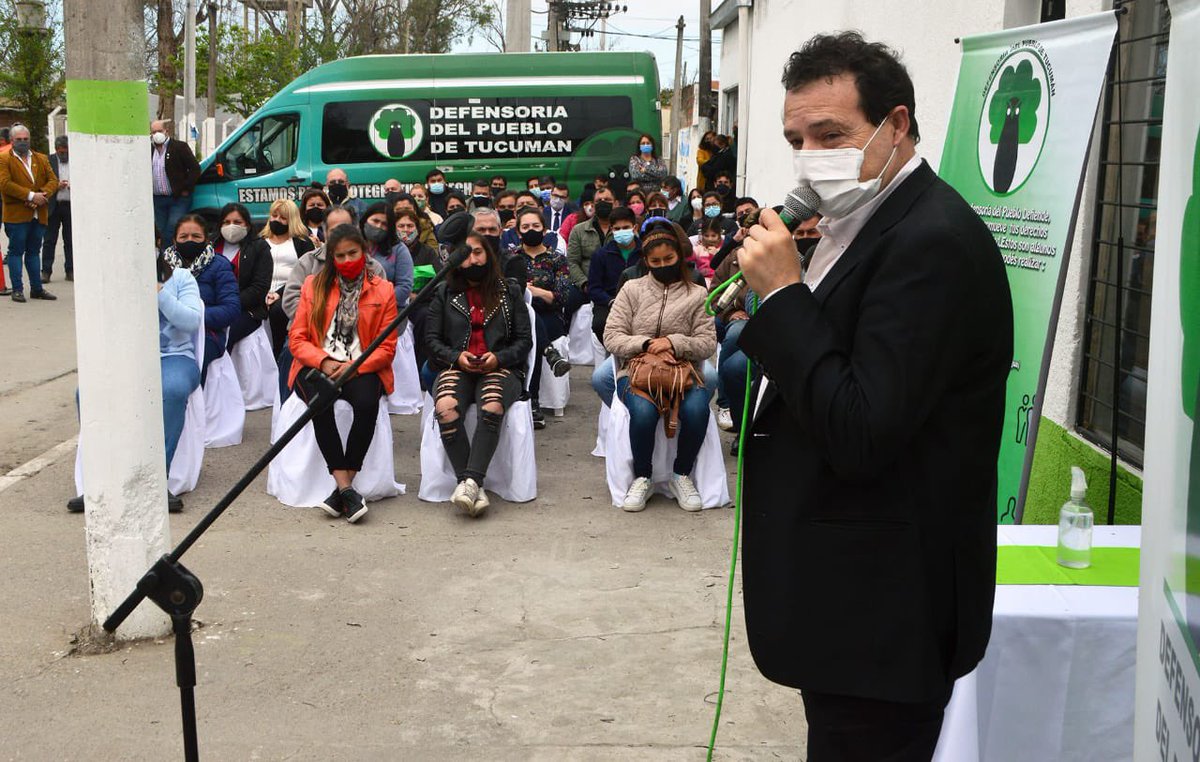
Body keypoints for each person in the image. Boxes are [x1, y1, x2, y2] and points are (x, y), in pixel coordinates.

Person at [734, 33, 1013, 759]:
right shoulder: (858, 223)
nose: (811, 155)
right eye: (797, 138)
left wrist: (787, 297)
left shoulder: (932, 242)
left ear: (897, 126)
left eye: (832, 135)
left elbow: (862, 429)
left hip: (886, 620)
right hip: (844, 605)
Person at [68, 251, 204, 514]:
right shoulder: (112, 279)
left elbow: (190, 321)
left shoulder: (180, 277)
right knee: (86, 393)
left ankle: (156, 480)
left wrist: (159, 292)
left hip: (174, 356)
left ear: (157, 245)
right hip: (124, 359)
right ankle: (99, 481)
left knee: (172, 390)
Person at [603, 219, 716, 512]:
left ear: (680, 255)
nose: (663, 265)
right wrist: (644, 344)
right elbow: (611, 336)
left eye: (669, 259)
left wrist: (674, 342)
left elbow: (706, 343)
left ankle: (681, 474)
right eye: (655, 261)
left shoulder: (697, 293)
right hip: (636, 370)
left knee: (696, 410)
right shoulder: (631, 289)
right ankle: (643, 477)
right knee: (642, 413)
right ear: (646, 262)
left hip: (684, 373)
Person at [289, 223, 398, 523]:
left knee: (366, 404)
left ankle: (342, 489)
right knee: (319, 405)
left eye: (353, 253)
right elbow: (297, 338)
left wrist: (356, 366)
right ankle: (347, 487)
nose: (348, 260)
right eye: (340, 256)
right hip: (317, 364)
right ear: (332, 258)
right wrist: (323, 362)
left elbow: (387, 347)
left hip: (361, 365)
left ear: (365, 252)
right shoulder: (313, 285)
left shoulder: (384, 290)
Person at [425, 233, 533, 517]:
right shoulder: (443, 292)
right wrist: (455, 357)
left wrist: (499, 357)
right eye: (466, 254)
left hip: (501, 366)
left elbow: (524, 341)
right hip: (457, 366)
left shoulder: (509, 291)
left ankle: (469, 482)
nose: (472, 259)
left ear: (489, 255)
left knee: (492, 405)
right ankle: (472, 483)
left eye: (478, 252)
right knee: (445, 407)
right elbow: (432, 340)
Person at [513, 208, 572, 428]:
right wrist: (542, 293)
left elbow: (562, 296)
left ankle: (533, 399)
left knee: (533, 333)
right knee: (528, 324)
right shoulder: (512, 258)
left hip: (550, 318)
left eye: (535, 226)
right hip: (517, 316)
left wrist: (532, 291)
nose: (531, 230)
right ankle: (549, 354)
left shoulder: (557, 259)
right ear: (519, 232)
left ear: (544, 229)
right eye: (525, 227)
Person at [165, 214, 240, 384]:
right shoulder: (161, 266)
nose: (190, 240)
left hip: (207, 333)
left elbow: (231, 308)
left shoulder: (219, 265)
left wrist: (193, 317)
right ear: (175, 241)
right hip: (167, 331)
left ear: (206, 239)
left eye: (196, 236)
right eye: (184, 237)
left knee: (191, 362)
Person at [0, 124, 59, 302]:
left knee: (34, 252)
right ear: (12, 141)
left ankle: (37, 289)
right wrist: (31, 195)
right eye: (19, 140)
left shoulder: (40, 158)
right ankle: (18, 289)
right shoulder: (4, 159)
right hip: (16, 214)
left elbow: (53, 180)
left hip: (38, 213)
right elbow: (5, 184)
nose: (23, 143)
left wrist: (42, 195)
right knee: (16, 252)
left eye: (26, 139)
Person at [212, 203, 273, 351]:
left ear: (247, 224)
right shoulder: (211, 248)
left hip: (247, 310)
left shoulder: (260, 247)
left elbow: (259, 287)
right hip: (213, 307)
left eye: (237, 222)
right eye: (226, 222)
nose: (231, 226)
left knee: (226, 334)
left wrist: (230, 305)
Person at [261, 198, 317, 356]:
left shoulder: (302, 243)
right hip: (262, 291)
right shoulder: (260, 242)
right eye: (274, 215)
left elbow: (306, 274)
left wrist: (278, 293)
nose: (277, 220)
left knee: (277, 311)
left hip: (290, 292)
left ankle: (279, 354)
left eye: (283, 218)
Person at [395, 207, 442, 376]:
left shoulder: (428, 252)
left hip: (421, 304)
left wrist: (418, 296)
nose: (406, 230)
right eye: (401, 226)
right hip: (395, 304)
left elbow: (439, 281)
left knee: (426, 317)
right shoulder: (390, 252)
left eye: (410, 226)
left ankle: (422, 369)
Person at [586, 207, 640, 342]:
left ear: (635, 228)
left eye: (626, 227)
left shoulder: (645, 252)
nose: (622, 232)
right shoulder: (601, 255)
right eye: (617, 229)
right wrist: (611, 301)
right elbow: (594, 288)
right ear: (611, 230)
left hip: (641, 302)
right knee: (599, 324)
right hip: (609, 302)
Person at [565, 186, 615, 320]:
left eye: (607, 200)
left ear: (615, 203)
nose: (603, 202)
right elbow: (572, 261)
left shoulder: (622, 230)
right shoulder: (579, 230)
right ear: (593, 204)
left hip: (615, 285)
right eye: (599, 200)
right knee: (568, 301)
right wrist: (584, 283)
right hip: (586, 284)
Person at [150, 120, 201, 249]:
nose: (157, 134)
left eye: (159, 131)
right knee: (161, 230)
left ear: (166, 131)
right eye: (154, 132)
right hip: (158, 199)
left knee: (172, 229)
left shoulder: (179, 147)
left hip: (178, 199)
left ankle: (169, 259)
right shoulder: (149, 150)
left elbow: (195, 169)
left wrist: (186, 188)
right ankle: (166, 261)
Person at [360, 201, 414, 321]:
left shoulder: (399, 249)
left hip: (389, 314)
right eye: (375, 221)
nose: (379, 227)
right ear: (365, 220)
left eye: (384, 224)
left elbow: (404, 286)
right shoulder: (352, 244)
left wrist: (376, 303)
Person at [41, 136, 73, 283]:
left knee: (70, 240)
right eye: (61, 152)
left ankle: (70, 270)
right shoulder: (48, 161)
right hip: (54, 206)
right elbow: (42, 183)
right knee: (49, 240)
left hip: (70, 205)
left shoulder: (76, 160)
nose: (64, 154)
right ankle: (46, 271)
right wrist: (56, 186)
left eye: (66, 151)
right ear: (56, 150)